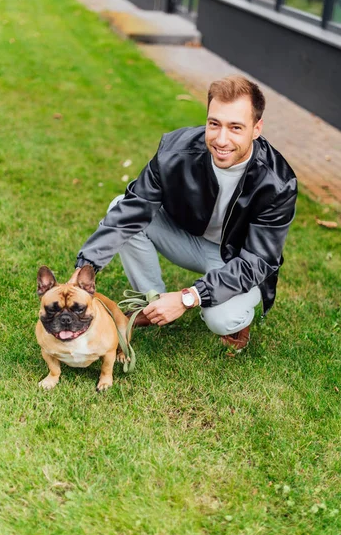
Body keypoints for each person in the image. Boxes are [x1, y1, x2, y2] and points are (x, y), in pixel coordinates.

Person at [73, 75, 297, 352]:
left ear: (256, 128)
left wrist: (188, 297)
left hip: (237, 261)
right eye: (214, 124)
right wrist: (85, 267)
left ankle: (235, 320)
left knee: (221, 318)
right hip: (188, 239)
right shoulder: (175, 151)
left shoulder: (277, 183)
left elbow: (258, 261)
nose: (221, 139)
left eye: (236, 127)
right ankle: (153, 303)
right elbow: (134, 206)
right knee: (119, 204)